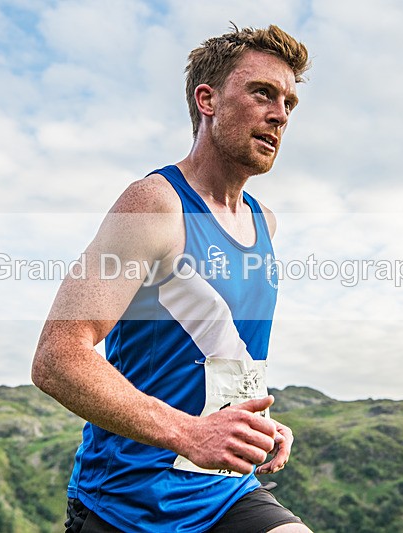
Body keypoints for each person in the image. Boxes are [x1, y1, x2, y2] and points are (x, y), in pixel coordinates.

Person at [32, 23, 312, 533]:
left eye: (289, 103)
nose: (280, 114)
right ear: (208, 100)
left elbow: (218, 349)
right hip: (127, 504)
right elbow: (57, 356)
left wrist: (253, 424)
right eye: (262, 93)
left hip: (226, 493)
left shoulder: (264, 222)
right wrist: (190, 434)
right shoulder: (155, 204)